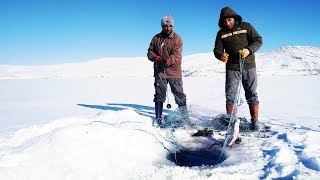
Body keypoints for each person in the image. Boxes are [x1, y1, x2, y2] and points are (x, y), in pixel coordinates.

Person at [213, 7, 263, 130]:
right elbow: (217, 49)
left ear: (234, 18)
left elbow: (258, 40)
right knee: (230, 95)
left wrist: (248, 50)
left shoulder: (246, 27)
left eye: (229, 20)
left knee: (251, 94)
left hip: (248, 66)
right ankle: (231, 123)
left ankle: (255, 122)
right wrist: (221, 55)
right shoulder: (221, 33)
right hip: (231, 67)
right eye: (225, 21)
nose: (227, 23)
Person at [147, 15, 188, 125]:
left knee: (179, 95)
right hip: (160, 73)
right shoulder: (156, 38)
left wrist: (168, 61)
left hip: (174, 73)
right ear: (162, 26)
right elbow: (150, 52)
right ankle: (158, 119)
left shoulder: (177, 39)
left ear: (172, 26)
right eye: (165, 26)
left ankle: (185, 119)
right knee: (159, 96)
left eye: (170, 26)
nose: (168, 28)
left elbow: (177, 54)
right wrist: (155, 57)